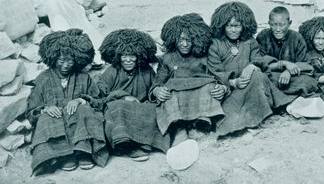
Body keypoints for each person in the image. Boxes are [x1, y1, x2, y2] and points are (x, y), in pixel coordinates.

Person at [25, 29, 108, 175]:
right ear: (53, 58)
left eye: (70, 60)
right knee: (47, 117)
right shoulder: (43, 78)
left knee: (85, 110)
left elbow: (99, 101)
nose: (66, 65)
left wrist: (80, 100)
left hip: (78, 119)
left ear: (77, 59)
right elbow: (32, 110)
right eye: (61, 61)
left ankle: (83, 152)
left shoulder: (84, 77)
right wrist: (45, 108)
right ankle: (64, 155)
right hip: (56, 119)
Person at [208, 1, 293, 137]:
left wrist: (253, 65)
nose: (234, 30)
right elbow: (214, 72)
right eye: (229, 26)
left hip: (249, 85)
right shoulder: (215, 44)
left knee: (259, 76)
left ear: (244, 25)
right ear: (222, 26)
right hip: (229, 90)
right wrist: (233, 82)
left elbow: (259, 60)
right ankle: (246, 121)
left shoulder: (250, 41)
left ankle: (254, 118)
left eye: (237, 26)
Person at [150, 13, 226, 146]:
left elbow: (217, 75)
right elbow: (158, 82)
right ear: (174, 40)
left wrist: (222, 87)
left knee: (209, 86)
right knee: (169, 92)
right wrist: (157, 91)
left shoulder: (203, 57)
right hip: (178, 100)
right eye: (180, 40)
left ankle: (201, 124)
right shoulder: (167, 58)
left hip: (199, 100)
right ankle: (180, 129)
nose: (185, 44)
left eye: (189, 40)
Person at [94, 29, 171, 161]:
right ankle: (127, 146)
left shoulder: (146, 71)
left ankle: (145, 143)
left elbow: (153, 88)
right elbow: (100, 95)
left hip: (139, 108)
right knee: (119, 107)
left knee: (154, 109)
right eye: (124, 56)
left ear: (139, 56)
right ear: (118, 56)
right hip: (118, 109)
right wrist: (123, 96)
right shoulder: (112, 72)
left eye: (132, 56)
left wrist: (156, 93)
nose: (128, 60)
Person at [256, 6, 318, 108]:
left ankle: (278, 101)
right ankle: (290, 101)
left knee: (309, 82)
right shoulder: (263, 36)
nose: (278, 29)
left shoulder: (297, 38)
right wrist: (284, 64)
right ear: (269, 23)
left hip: (292, 78)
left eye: (282, 25)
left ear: (289, 24)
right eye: (274, 25)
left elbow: (306, 64)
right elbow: (259, 62)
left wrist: (288, 72)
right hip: (272, 76)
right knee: (261, 80)